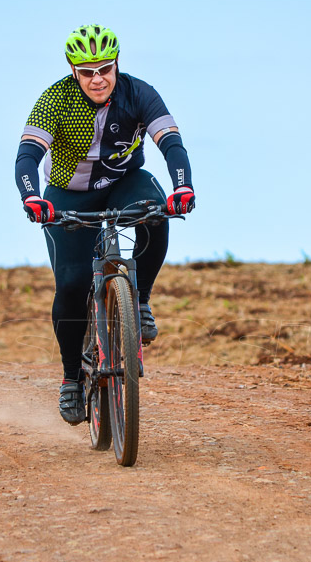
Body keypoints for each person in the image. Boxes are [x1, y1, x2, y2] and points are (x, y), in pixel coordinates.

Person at [15, 24, 195, 424]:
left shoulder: (138, 93)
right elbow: (26, 157)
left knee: (156, 210)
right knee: (73, 283)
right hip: (67, 194)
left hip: (123, 183)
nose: (98, 79)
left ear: (117, 65)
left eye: (105, 69)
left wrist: (183, 186)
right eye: (87, 72)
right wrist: (32, 197)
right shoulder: (55, 101)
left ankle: (141, 299)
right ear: (73, 71)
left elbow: (171, 143)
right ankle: (70, 380)